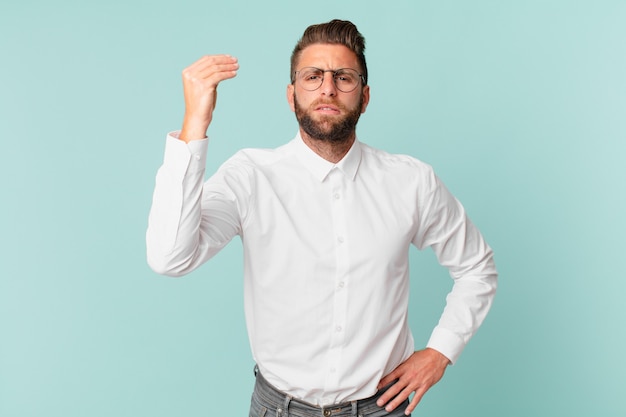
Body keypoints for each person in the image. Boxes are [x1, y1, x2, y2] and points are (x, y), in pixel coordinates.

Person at [146, 19, 497, 417]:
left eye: (343, 77)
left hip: (381, 408)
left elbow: (477, 268)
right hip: (277, 408)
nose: (328, 88)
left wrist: (440, 352)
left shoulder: (411, 182)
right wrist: (195, 124)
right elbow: (169, 257)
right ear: (291, 94)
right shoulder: (250, 176)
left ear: (364, 97)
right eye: (313, 76)